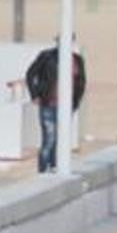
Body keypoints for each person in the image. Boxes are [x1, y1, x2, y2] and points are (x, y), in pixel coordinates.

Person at [25, 38, 87, 174]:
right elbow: (30, 74)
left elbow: (81, 82)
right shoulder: (47, 56)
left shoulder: (77, 60)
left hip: (66, 107)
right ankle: (42, 170)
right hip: (48, 104)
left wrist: (76, 102)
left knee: (60, 139)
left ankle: (54, 167)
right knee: (49, 138)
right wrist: (35, 94)